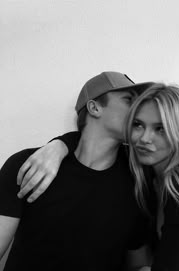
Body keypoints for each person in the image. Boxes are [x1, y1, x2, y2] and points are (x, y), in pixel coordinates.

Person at [16, 83, 179, 271]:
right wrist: (59, 146)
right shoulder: (148, 175)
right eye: (138, 125)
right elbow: (92, 145)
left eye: (161, 128)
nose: (145, 139)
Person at [0, 71, 154, 271]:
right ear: (94, 107)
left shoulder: (139, 181)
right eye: (128, 100)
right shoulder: (28, 165)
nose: (139, 110)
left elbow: (138, 264)